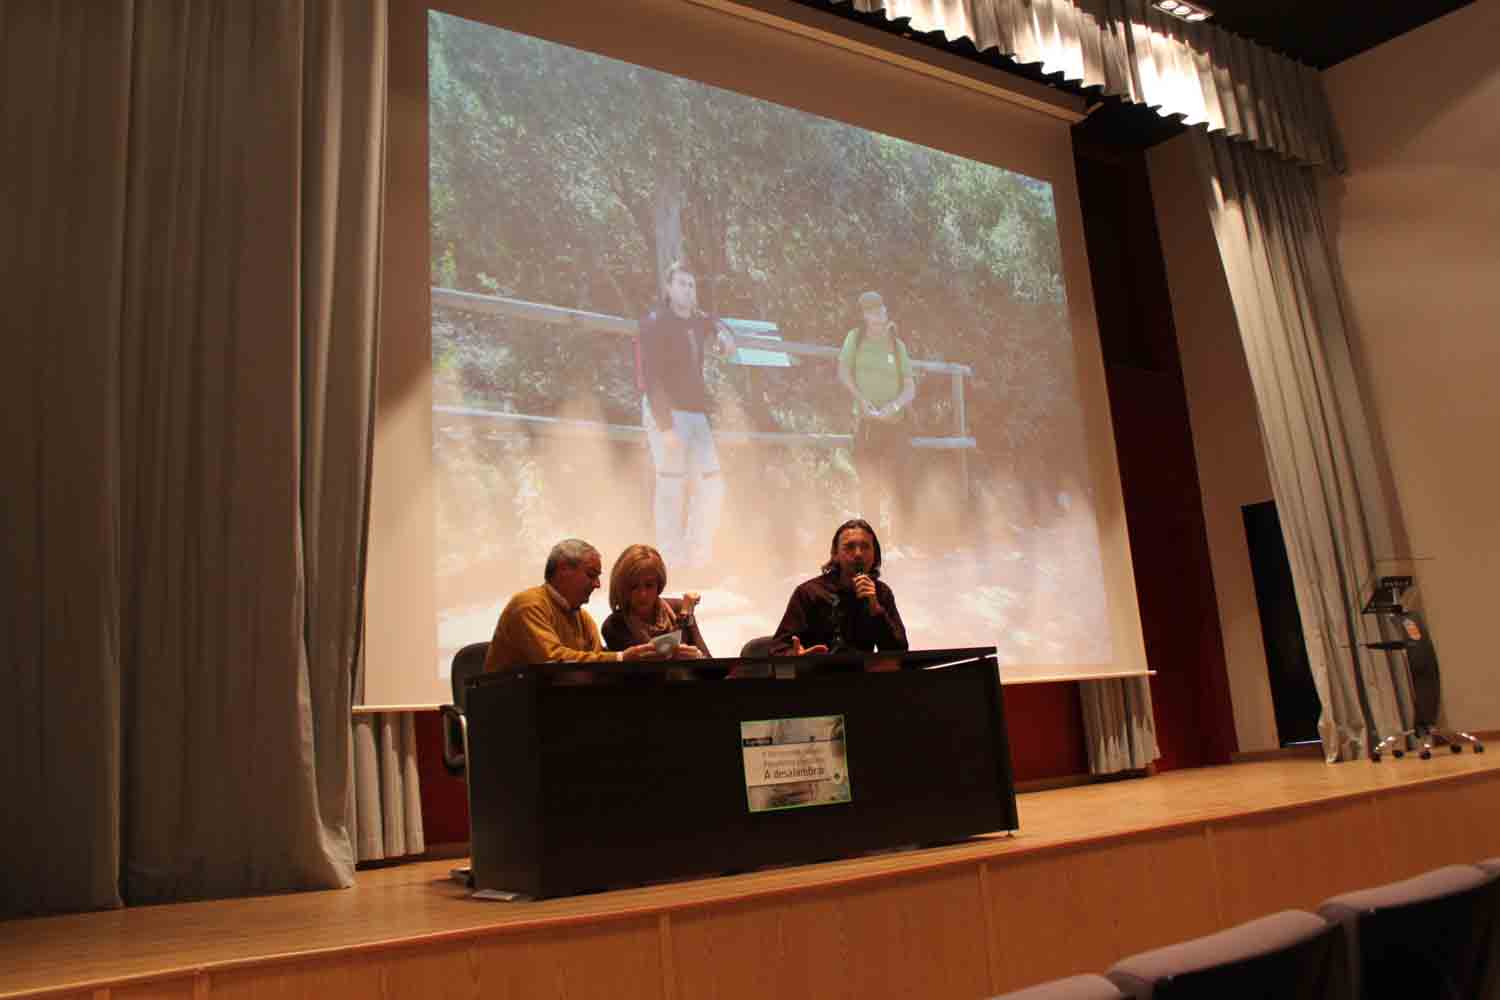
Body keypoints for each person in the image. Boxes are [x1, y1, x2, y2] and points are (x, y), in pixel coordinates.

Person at [638, 260, 737, 574]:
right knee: (671, 485)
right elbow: (650, 377)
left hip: (696, 415)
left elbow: (718, 324)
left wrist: (723, 336)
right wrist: (665, 426)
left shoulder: (698, 321)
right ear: (668, 288)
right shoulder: (655, 322)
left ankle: (698, 555)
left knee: (712, 483)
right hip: (667, 414)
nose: (687, 289)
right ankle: (671, 559)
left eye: (692, 285)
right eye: (681, 283)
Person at [484, 539, 660, 679]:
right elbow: (552, 661)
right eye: (591, 575)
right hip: (512, 710)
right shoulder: (529, 605)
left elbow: (598, 672)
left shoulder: (583, 617)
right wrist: (621, 658)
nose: (597, 584)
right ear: (564, 569)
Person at [838, 290, 916, 540]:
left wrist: (894, 406)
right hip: (867, 421)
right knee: (869, 482)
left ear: (885, 310)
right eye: (871, 310)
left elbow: (910, 387)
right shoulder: (855, 338)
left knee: (901, 480)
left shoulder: (897, 344)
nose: (877, 313)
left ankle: (905, 538)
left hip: (895, 423)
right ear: (864, 315)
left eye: (880, 308)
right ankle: (872, 542)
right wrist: (861, 401)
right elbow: (843, 372)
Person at [771, 518, 908, 657]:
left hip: (863, 676)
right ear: (835, 554)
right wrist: (794, 656)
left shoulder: (881, 593)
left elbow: (899, 652)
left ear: (874, 555)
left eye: (865, 547)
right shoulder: (808, 593)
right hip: (817, 676)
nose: (858, 554)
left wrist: (876, 609)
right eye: (849, 547)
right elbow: (778, 649)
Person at [601, 543, 710, 662]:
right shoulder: (613, 625)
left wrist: (698, 656)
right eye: (634, 587)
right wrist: (685, 616)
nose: (643, 594)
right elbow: (657, 667)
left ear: (659, 584)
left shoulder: (679, 608)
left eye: (649, 585)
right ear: (622, 587)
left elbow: (711, 664)